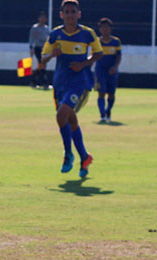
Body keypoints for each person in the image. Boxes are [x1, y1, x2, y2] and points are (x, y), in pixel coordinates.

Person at [38, 0, 102, 178]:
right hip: (60, 83)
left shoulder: (87, 34)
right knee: (70, 122)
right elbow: (42, 59)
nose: (70, 15)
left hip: (79, 83)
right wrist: (52, 54)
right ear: (61, 15)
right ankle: (85, 157)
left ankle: (68, 154)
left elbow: (98, 53)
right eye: (67, 12)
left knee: (61, 116)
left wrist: (83, 64)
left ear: (79, 14)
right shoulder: (55, 34)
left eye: (73, 11)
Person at [94, 17, 121, 123]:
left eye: (107, 27)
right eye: (103, 27)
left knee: (111, 94)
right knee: (101, 92)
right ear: (100, 29)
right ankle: (102, 115)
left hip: (111, 71)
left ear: (110, 29)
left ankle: (108, 111)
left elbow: (118, 56)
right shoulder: (97, 42)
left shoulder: (115, 41)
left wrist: (115, 66)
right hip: (100, 71)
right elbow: (94, 55)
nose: (105, 29)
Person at [29, 10, 50, 88]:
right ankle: (45, 83)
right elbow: (31, 38)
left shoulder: (47, 28)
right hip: (37, 48)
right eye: (41, 18)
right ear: (39, 19)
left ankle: (33, 81)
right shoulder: (35, 28)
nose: (43, 19)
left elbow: (49, 38)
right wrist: (31, 48)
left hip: (44, 49)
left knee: (41, 65)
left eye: (44, 18)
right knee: (42, 64)